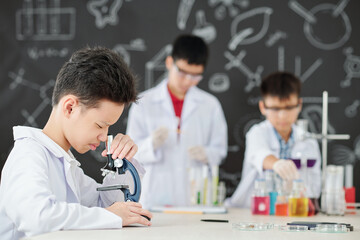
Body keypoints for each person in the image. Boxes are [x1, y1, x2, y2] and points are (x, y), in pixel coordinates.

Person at [0, 47, 152, 240]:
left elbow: (103, 205)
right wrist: (112, 215)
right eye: (100, 125)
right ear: (70, 107)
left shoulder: (67, 165)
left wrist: (124, 161)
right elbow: (37, 217)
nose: (104, 137)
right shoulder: (29, 155)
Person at [126, 34, 228, 208]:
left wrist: (207, 154)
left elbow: (220, 151)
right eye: (182, 72)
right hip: (154, 194)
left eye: (195, 76)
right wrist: (151, 144)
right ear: (169, 62)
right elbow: (131, 154)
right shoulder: (144, 103)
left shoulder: (210, 105)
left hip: (196, 196)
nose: (188, 81)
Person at [225, 71, 321, 208]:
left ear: (299, 105)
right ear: (263, 107)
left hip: (293, 212)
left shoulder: (309, 142)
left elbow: (314, 189)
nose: (282, 116)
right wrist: (277, 164)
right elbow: (260, 155)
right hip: (251, 212)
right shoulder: (257, 133)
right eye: (275, 108)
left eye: (289, 108)